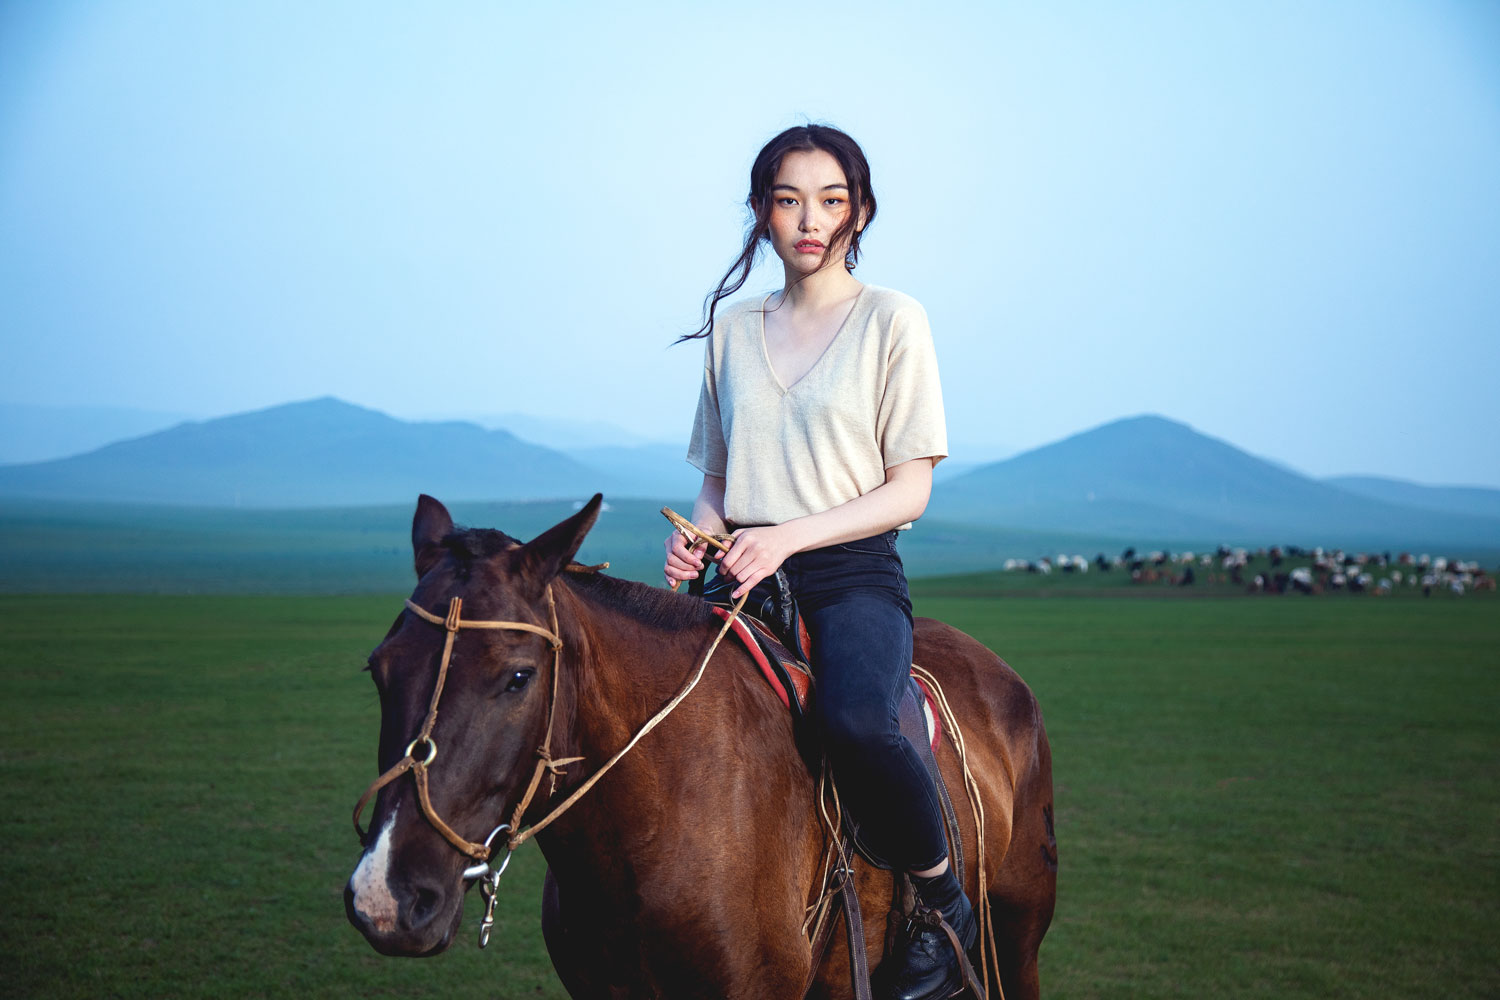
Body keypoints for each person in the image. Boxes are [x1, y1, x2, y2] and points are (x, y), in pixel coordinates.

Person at [662, 124, 975, 1000]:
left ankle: (944, 909)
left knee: (859, 724)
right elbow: (718, 481)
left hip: (848, 574)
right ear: (762, 214)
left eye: (831, 200)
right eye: (789, 199)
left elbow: (909, 490)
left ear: (860, 210)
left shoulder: (892, 320)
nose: (811, 219)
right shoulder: (731, 328)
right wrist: (701, 539)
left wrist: (789, 537)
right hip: (742, 572)